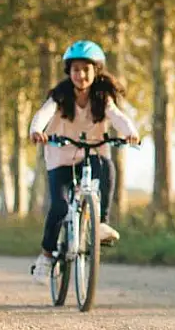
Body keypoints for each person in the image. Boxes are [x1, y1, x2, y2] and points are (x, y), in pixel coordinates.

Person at [28, 40, 139, 283]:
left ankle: (101, 224)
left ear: (96, 70)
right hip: (60, 157)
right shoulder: (60, 95)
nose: (81, 75)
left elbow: (118, 117)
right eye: (76, 69)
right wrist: (37, 131)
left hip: (93, 153)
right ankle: (47, 256)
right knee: (58, 206)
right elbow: (43, 114)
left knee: (107, 170)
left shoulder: (102, 97)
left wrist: (130, 132)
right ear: (69, 71)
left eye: (86, 69)